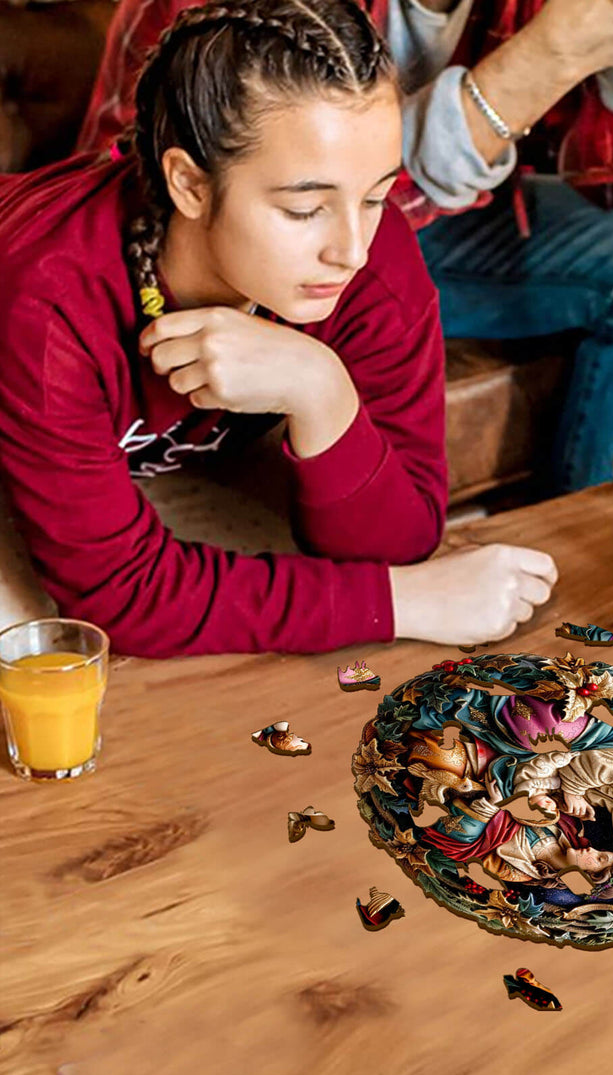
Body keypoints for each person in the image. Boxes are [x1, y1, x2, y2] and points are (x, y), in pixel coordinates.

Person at [0, 0, 556, 656]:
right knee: (33, 648)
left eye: (375, 196)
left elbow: (402, 538)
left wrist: (321, 390)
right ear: (189, 185)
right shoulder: (49, 300)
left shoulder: (371, 254)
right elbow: (123, 597)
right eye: (305, 209)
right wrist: (404, 601)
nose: (351, 248)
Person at [77, 0, 613, 493]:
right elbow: (156, 204)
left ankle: (601, 564)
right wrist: (544, 59)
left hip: (432, 223)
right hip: (235, 247)